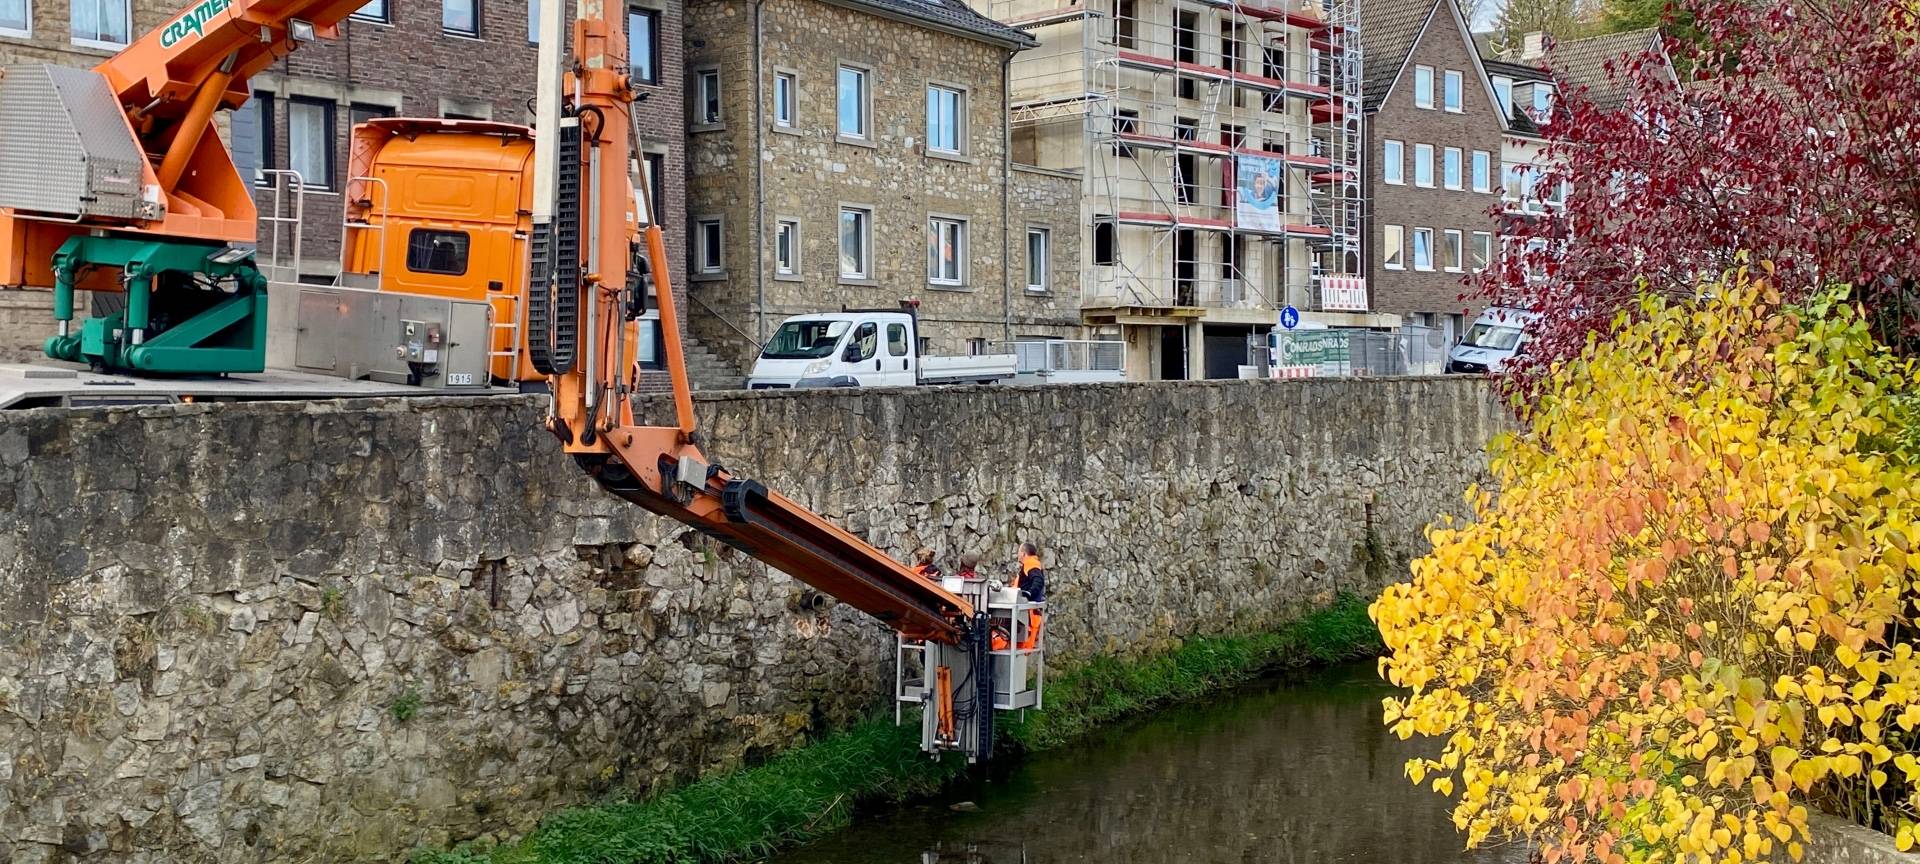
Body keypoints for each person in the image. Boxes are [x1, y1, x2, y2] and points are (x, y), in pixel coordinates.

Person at [1010, 542, 1047, 650]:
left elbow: (1038, 581)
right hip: (1027, 615)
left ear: (1023, 553)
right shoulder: (1031, 564)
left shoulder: (1031, 564)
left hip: (1028, 615)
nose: (1017, 554)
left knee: (1022, 649)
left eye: (1019, 552)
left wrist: (1030, 593)